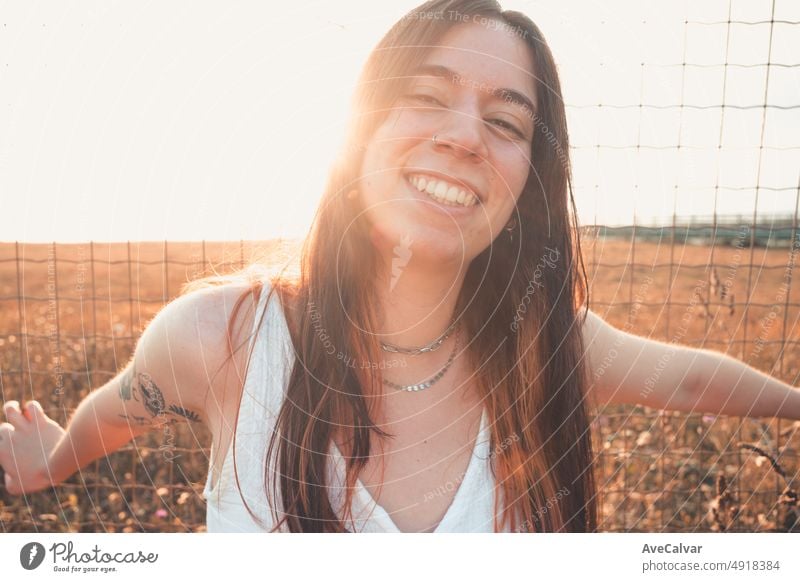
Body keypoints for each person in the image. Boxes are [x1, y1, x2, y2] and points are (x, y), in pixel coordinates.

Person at [1, 0, 799, 533]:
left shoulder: (542, 344)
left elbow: (694, 382)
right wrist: (51, 461)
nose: (464, 136)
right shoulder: (220, 338)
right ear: (360, 128)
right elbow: (117, 409)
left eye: (505, 121)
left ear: (527, 185)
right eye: (426, 96)